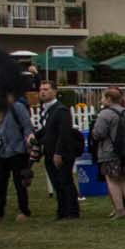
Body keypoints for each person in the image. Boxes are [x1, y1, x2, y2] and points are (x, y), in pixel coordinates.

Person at [32, 80, 81, 219]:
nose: (42, 92)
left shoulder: (61, 110)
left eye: (46, 89)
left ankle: (72, 211)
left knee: (65, 181)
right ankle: (62, 210)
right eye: (41, 89)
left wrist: (58, 152)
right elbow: (48, 130)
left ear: (54, 91)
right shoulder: (47, 110)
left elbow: (64, 133)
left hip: (61, 152)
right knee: (56, 182)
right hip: (49, 151)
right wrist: (34, 136)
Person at [91, 87, 125, 217]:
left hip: (110, 152)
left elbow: (99, 133)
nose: (101, 100)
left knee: (112, 180)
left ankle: (120, 209)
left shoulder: (105, 113)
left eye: (103, 97)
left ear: (109, 99)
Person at [0, 87, 32, 220]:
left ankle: (24, 210)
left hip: (17, 150)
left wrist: (29, 140)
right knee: (0, 183)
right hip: (1, 151)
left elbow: (27, 125)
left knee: (20, 183)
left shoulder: (17, 107)